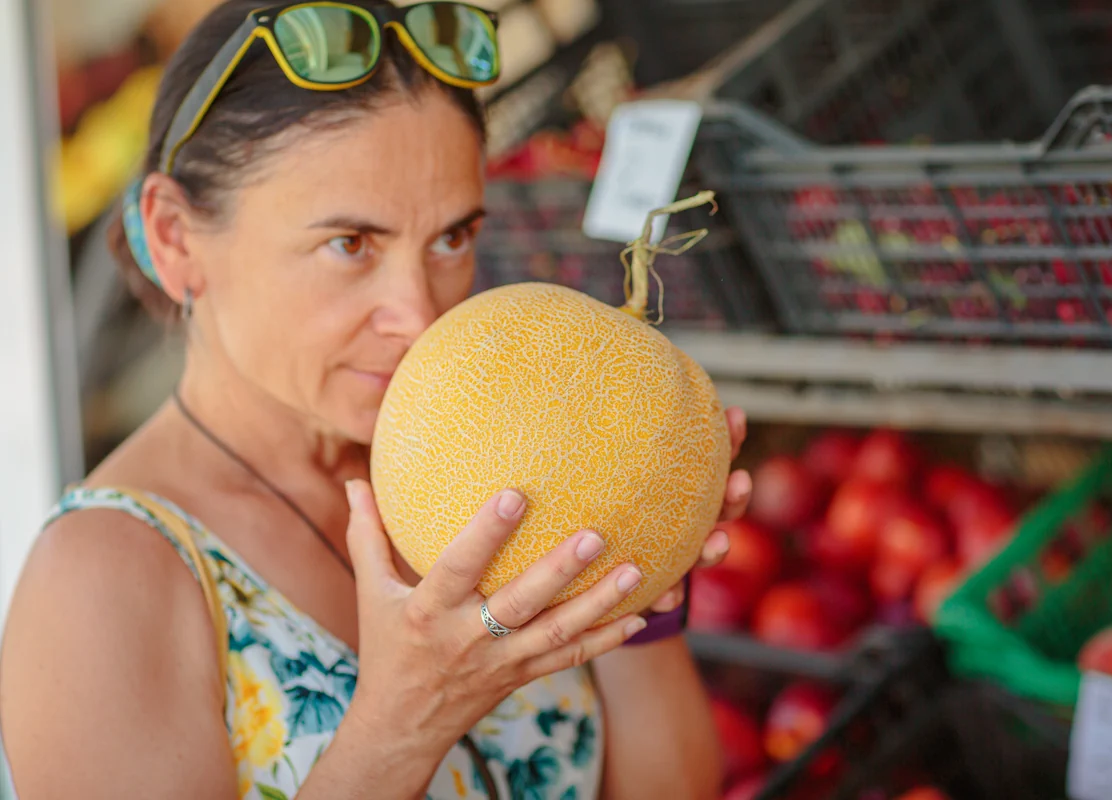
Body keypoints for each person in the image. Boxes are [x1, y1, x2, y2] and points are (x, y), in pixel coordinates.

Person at [0, 2, 753, 798]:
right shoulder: (99, 582)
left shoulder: (490, 460)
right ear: (176, 238)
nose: (420, 316)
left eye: (452, 238)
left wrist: (644, 578)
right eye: (349, 245)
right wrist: (406, 724)